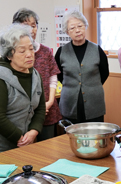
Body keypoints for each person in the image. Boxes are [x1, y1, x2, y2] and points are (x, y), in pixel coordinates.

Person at [12, 8, 61, 141]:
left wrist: (50, 102)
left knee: (48, 150)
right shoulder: (12, 54)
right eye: (26, 26)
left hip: (47, 109)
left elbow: (53, 79)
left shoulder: (45, 51)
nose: (31, 30)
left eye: (33, 26)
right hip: (22, 113)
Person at [55, 10, 109, 124]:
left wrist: (91, 85)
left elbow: (104, 73)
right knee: (71, 139)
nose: (77, 30)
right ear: (67, 31)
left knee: (95, 139)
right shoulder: (61, 52)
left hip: (94, 104)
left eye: (80, 26)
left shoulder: (97, 50)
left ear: (85, 26)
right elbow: (59, 75)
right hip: (69, 104)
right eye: (72, 28)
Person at [0, 24, 45, 152]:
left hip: (26, 144)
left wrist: (34, 131)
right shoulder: (2, 77)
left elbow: (41, 108)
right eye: (22, 51)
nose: (29, 54)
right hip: (3, 147)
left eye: (31, 49)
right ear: (9, 55)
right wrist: (18, 137)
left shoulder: (35, 75)